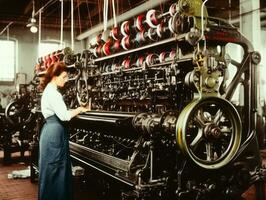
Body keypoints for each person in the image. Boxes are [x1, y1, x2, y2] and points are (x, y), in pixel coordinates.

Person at [38, 62, 89, 200]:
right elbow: (64, 116)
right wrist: (80, 109)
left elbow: (61, 112)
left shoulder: (49, 91)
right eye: (64, 77)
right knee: (57, 172)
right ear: (55, 76)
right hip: (54, 134)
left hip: (50, 131)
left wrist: (73, 110)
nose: (66, 80)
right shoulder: (54, 93)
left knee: (52, 172)